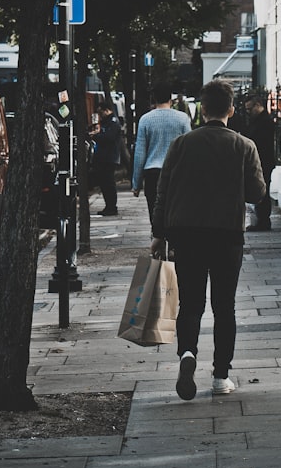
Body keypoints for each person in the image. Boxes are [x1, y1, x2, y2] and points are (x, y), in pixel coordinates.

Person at [151, 79, 266, 400]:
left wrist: (158, 233)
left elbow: (164, 191)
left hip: (185, 234)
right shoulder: (244, 146)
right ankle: (220, 376)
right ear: (231, 110)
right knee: (224, 306)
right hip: (227, 234)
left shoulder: (181, 144)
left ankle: (187, 353)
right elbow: (258, 194)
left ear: (202, 110)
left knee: (190, 303)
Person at [131, 83, 192, 216]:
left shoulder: (145, 120)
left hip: (152, 172)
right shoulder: (183, 119)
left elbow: (140, 153)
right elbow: (188, 148)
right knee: (175, 211)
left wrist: (136, 183)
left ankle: (157, 235)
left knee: (155, 211)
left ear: (154, 99)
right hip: (176, 172)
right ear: (171, 100)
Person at [243, 94, 276, 231]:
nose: (248, 112)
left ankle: (263, 222)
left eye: (250, 109)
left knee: (263, 191)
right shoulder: (259, 120)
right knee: (261, 189)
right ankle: (261, 220)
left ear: (258, 105)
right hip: (261, 160)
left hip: (264, 161)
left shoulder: (265, 121)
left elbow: (260, 142)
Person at [89, 99, 122, 216]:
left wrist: (96, 136)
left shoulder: (113, 122)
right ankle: (109, 206)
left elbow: (109, 137)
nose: (100, 116)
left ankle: (112, 206)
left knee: (108, 183)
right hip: (104, 157)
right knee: (104, 183)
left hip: (109, 157)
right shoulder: (106, 122)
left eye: (101, 112)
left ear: (106, 110)